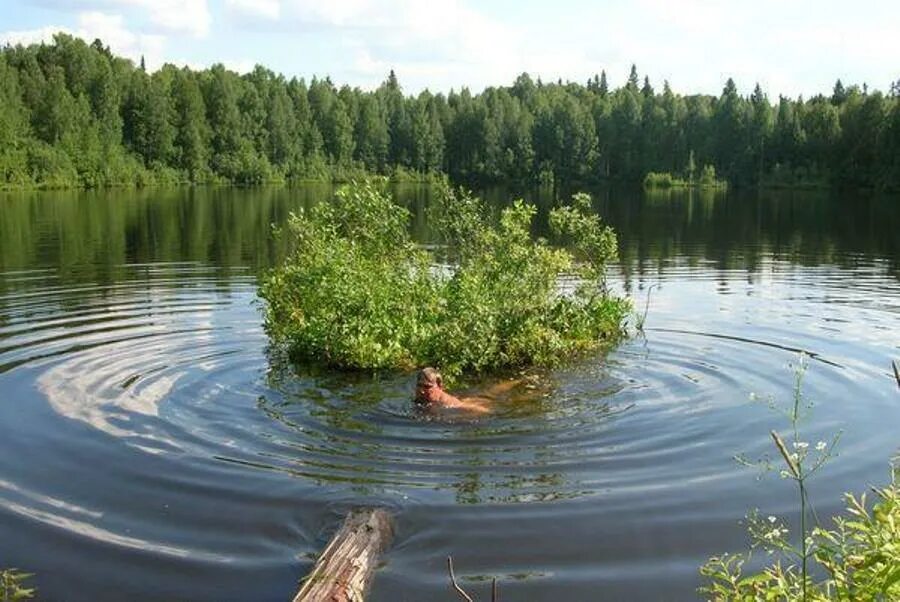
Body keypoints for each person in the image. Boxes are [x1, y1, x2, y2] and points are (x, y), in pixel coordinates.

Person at [414, 367, 492, 414]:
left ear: (439, 386)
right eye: (419, 385)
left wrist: (491, 414)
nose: (422, 391)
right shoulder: (421, 397)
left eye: (427, 387)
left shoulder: (449, 403)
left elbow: (474, 408)